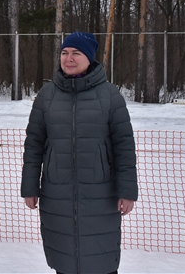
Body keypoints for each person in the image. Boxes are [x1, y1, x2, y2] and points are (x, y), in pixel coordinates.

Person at [21, 32, 138, 274]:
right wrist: (30, 187)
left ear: (89, 58)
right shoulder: (47, 96)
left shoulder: (109, 95)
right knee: (63, 260)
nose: (69, 58)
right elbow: (34, 145)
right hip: (56, 193)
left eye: (76, 53)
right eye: (64, 53)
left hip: (101, 194)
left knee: (101, 259)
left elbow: (124, 146)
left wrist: (127, 191)